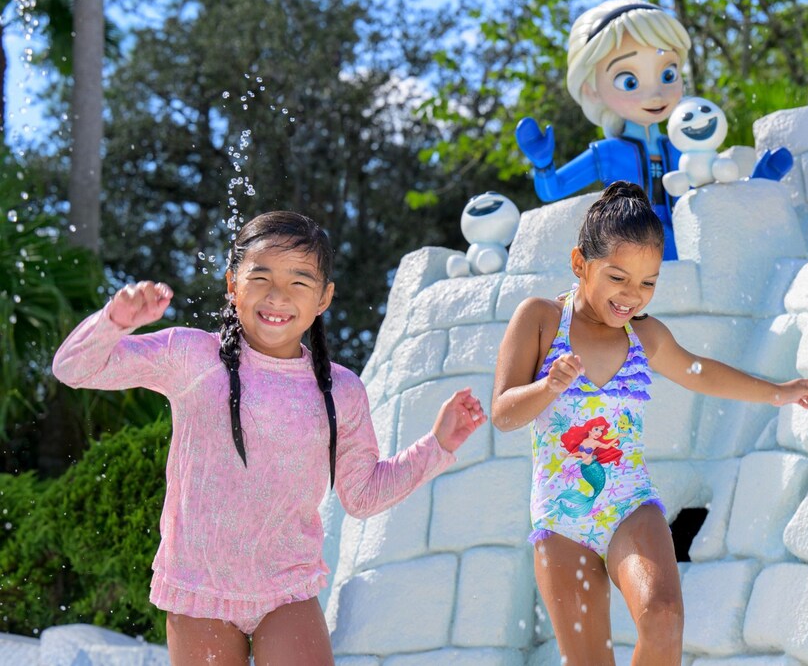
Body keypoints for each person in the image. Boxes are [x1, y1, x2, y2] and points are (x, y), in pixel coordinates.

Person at [52, 211, 486, 665]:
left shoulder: (340, 390)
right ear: (232, 284)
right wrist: (115, 321)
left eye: (300, 281)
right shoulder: (190, 357)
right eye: (260, 277)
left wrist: (438, 445)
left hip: (286, 590)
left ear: (324, 297)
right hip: (199, 588)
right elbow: (74, 368)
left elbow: (361, 494)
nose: (277, 295)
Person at [491, 182, 808, 665]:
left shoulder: (644, 335)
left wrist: (778, 391)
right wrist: (548, 388)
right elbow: (503, 414)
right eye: (618, 277)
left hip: (629, 501)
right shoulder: (541, 318)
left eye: (647, 283)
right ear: (580, 264)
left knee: (664, 616)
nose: (632, 296)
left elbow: (699, 371)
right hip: (562, 518)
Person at [514, 0, 793, 260]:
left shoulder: (681, 146)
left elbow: (716, 190)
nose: (656, 93)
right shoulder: (608, 153)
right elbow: (552, 190)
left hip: (687, 237)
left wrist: (757, 184)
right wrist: (543, 164)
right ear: (592, 90)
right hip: (630, 246)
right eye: (629, 81)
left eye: (668, 74)